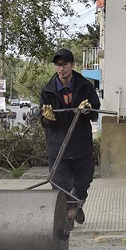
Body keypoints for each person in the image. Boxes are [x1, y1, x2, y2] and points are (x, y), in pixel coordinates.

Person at [39, 48, 101, 224]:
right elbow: (43, 120)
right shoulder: (48, 91)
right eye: (58, 65)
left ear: (72, 65)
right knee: (60, 186)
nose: (61, 68)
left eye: (65, 64)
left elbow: (95, 112)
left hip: (81, 145)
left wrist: (87, 110)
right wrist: (48, 118)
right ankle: (68, 216)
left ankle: (75, 206)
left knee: (83, 181)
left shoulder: (85, 87)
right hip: (58, 148)